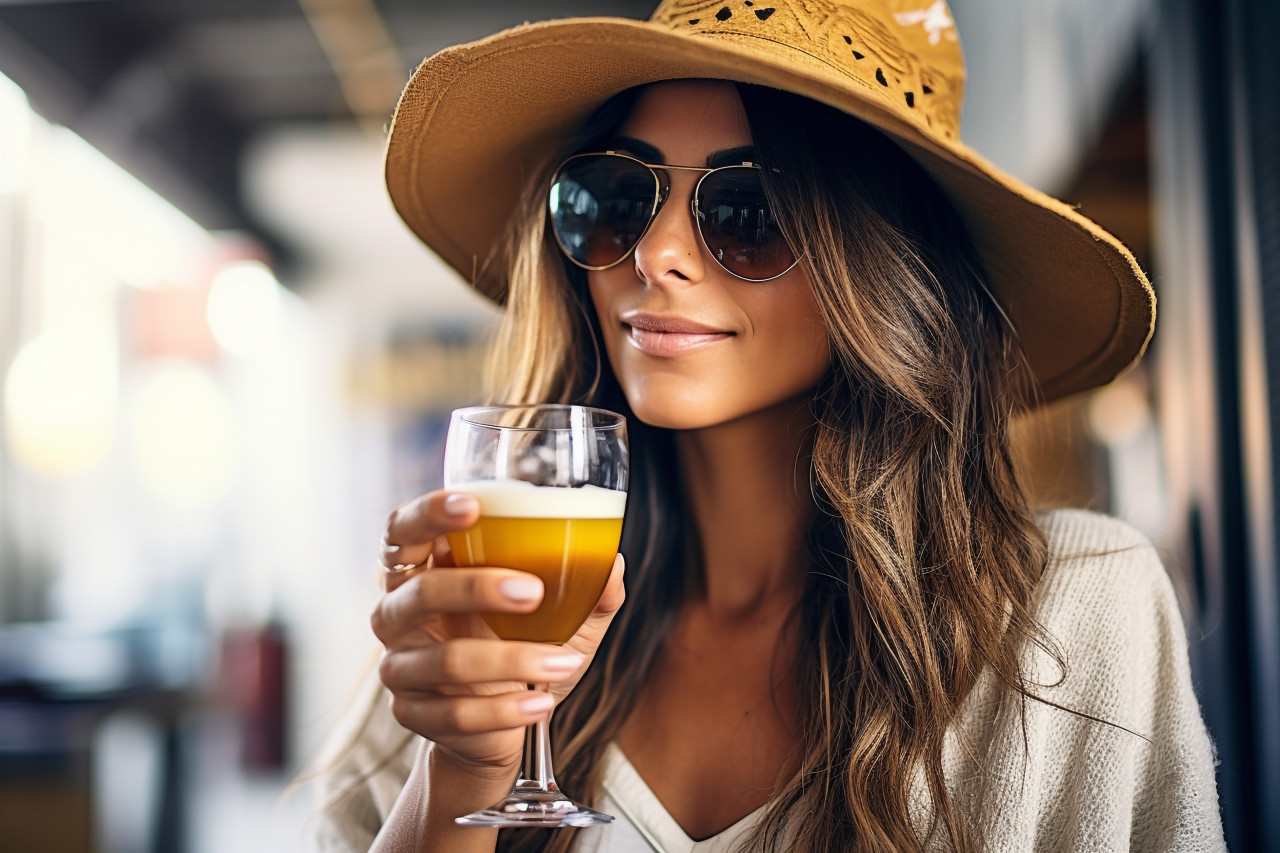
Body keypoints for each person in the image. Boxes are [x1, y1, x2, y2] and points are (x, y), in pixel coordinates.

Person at [313, 2, 1226, 851]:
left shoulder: (1072, 615)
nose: (658, 253)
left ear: (888, 272)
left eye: (749, 210)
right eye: (617, 196)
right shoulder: (464, 638)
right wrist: (462, 769)